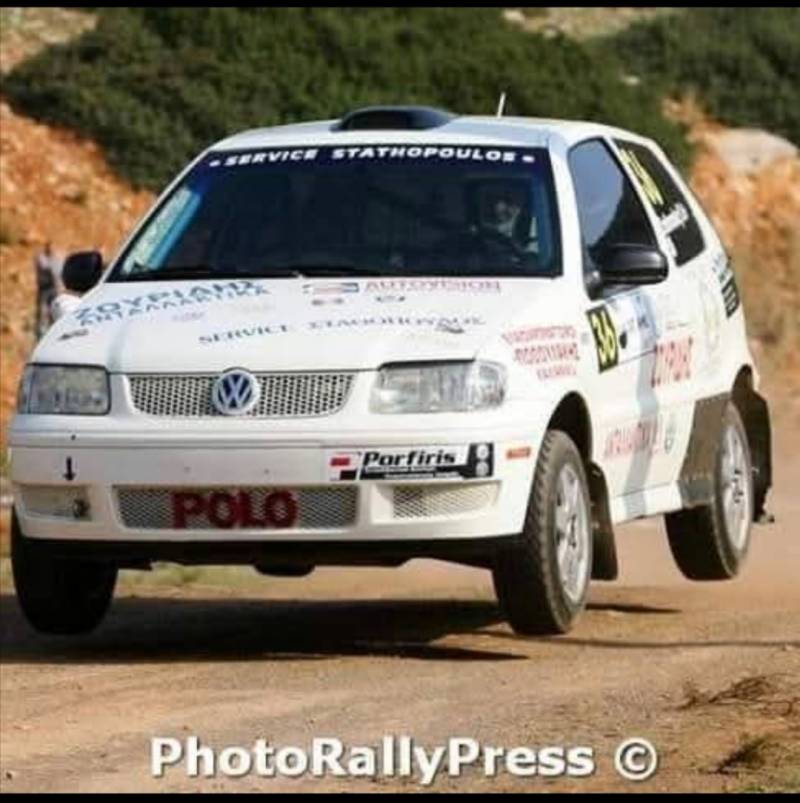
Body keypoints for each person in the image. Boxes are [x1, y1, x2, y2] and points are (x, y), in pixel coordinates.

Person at [33, 242, 61, 339]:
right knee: (42, 313)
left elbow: (58, 271)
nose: (51, 249)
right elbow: (47, 269)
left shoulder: (56, 258)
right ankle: (40, 336)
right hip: (44, 289)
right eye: (49, 247)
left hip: (54, 289)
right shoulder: (41, 258)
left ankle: (53, 334)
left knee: (54, 312)